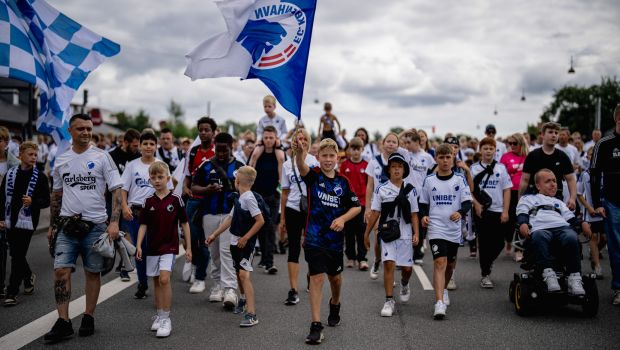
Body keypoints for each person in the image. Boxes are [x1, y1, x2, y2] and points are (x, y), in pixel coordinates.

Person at [44, 113, 123, 343]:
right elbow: (57, 195)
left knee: (92, 272)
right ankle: (64, 321)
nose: (86, 133)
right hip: (67, 225)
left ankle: (88, 315)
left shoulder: (102, 157)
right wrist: (51, 225)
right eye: (81, 129)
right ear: (70, 131)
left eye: (89, 128)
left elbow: (116, 189)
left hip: (96, 226)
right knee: (60, 270)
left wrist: (114, 221)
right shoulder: (61, 159)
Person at [292, 137, 361, 345]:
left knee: (335, 279)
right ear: (318, 158)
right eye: (324, 156)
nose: (328, 160)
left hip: (335, 241)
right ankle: (316, 325)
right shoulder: (313, 177)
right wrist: (299, 152)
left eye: (332, 156)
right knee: (317, 278)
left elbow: (356, 207)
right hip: (314, 238)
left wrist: (342, 218)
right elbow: (301, 166)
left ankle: (335, 302)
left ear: (337, 158)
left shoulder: (343, 182)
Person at [136, 162, 192, 338]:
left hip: (169, 246)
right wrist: (138, 245)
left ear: (168, 178)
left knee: (165, 279)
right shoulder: (148, 201)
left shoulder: (176, 200)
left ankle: (167, 318)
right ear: (149, 180)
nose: (157, 180)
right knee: (155, 282)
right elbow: (143, 225)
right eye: (153, 178)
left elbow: (185, 223)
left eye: (160, 177)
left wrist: (188, 246)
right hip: (152, 247)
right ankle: (159, 315)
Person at [206, 166, 265, 327]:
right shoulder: (240, 197)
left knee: (244, 276)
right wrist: (214, 235)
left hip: (245, 244)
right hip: (234, 242)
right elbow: (230, 219)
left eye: (235, 178)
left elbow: (260, 221)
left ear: (238, 180)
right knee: (239, 274)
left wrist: (246, 238)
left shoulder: (249, 198)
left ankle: (252, 314)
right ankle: (244, 300)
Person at [516, 169, 591, 295]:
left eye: (554, 181)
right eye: (548, 181)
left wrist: (582, 223)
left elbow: (571, 219)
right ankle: (548, 274)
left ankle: (574, 277)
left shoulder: (559, 202)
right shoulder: (527, 199)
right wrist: (523, 223)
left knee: (571, 237)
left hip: (562, 228)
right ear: (538, 185)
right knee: (540, 236)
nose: (553, 184)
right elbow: (522, 213)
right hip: (540, 228)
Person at [419, 144, 472, 319]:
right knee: (440, 262)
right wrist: (424, 216)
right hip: (436, 228)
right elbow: (423, 203)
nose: (445, 160)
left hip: (453, 229)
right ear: (436, 159)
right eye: (441, 157)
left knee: (450, 264)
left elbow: (467, 201)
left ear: (453, 158)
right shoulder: (429, 180)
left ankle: (444, 289)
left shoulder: (459, 179)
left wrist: (460, 212)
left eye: (448, 157)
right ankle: (439, 303)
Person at [192, 132, 244, 308]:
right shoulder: (206, 166)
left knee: (226, 251)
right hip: (209, 214)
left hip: (230, 215)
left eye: (225, 150)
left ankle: (230, 289)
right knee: (213, 252)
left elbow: (248, 190)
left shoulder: (239, 166)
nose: (221, 154)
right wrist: (207, 189)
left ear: (232, 147)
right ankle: (217, 285)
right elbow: (194, 186)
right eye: (219, 150)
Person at [364, 153, 419, 317]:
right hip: (388, 233)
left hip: (406, 234)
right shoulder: (381, 189)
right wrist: (366, 233)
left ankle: (404, 283)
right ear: (388, 170)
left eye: (399, 167)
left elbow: (415, 213)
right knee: (388, 264)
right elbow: (375, 212)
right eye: (393, 167)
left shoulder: (411, 190)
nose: (396, 170)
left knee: (407, 269)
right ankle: (389, 300)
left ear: (404, 170)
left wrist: (417, 233)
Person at [0, 141, 50, 306]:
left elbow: (46, 201)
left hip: (29, 221)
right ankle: (28, 276)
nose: (34, 157)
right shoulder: (10, 174)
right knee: (16, 253)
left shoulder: (40, 176)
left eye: (36, 155)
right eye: (30, 154)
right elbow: (1, 198)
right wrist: (1, 218)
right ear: (20, 155)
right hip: (11, 219)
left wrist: (33, 201)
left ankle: (12, 292)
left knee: (17, 255)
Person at [280, 128, 318, 305]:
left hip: (310, 209)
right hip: (293, 208)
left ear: (308, 142)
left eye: (304, 139)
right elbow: (285, 193)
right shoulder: (287, 165)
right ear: (293, 142)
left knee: (310, 246)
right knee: (293, 247)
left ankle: (311, 275)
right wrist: (282, 219)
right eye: (297, 139)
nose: (300, 142)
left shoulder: (314, 161)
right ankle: (293, 289)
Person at [120, 132, 161, 296]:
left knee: (155, 249)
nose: (148, 147)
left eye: (152, 144)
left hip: (156, 214)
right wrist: (124, 206)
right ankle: (142, 283)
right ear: (140, 146)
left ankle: (159, 282)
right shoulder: (132, 165)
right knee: (140, 250)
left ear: (155, 146)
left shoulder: (160, 165)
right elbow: (123, 188)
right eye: (145, 144)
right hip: (136, 213)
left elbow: (168, 190)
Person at [471, 137, 512, 288]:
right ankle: (485, 274)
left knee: (499, 242)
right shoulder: (474, 168)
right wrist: (476, 204)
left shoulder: (501, 168)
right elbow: (468, 190)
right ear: (480, 150)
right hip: (482, 210)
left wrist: (506, 211)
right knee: (484, 242)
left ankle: (488, 263)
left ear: (495, 151)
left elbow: (507, 190)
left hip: (498, 210)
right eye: (485, 148)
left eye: (491, 148)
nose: (488, 151)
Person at [590, 104, 620, 305]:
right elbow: (593, 174)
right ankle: (619, 288)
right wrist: (597, 203)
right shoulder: (604, 143)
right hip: (612, 203)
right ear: (618, 118)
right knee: (617, 247)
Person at [182, 117, 216, 294]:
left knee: (203, 241)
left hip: (209, 202)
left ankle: (201, 278)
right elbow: (188, 175)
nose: (203, 133)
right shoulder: (193, 152)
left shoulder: (218, 151)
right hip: (193, 200)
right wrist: (185, 187)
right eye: (200, 130)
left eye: (207, 130)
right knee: (189, 237)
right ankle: (195, 264)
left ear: (213, 132)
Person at [365, 133, 401, 280]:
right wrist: (367, 208)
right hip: (378, 205)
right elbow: (369, 185)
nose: (391, 144)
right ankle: (378, 260)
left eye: (394, 142)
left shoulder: (399, 163)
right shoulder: (374, 162)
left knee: (393, 238)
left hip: (396, 206)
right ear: (383, 143)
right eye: (389, 141)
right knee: (380, 237)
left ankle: (389, 272)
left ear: (398, 145)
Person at [249, 125, 285, 272]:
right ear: (262, 138)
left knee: (270, 228)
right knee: (260, 227)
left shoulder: (279, 154)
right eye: (266, 137)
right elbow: (249, 168)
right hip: (258, 195)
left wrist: (280, 192)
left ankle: (269, 262)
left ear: (276, 138)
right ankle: (264, 258)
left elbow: (283, 174)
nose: (269, 140)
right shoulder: (258, 152)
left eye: (271, 137)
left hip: (273, 195)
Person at [519, 122, 576, 211]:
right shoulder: (532, 155)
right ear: (542, 135)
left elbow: (571, 179)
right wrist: (520, 199)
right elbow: (524, 180)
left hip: (555, 197)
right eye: (550, 132)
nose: (554, 135)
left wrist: (572, 198)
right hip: (533, 197)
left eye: (556, 133)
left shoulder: (562, 156)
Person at [401, 130, 435, 265]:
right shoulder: (405, 154)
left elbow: (434, 171)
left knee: (420, 226)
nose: (407, 145)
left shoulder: (427, 157)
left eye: (409, 142)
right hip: (407, 195)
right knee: (405, 224)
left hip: (422, 197)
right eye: (406, 142)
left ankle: (417, 253)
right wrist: (405, 132)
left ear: (417, 142)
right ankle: (404, 255)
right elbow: (395, 142)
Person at [340, 137, 369, 270]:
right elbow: (340, 184)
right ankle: (351, 257)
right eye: (353, 149)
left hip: (362, 204)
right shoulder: (345, 165)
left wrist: (369, 206)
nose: (356, 152)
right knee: (349, 233)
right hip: (348, 205)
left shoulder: (366, 165)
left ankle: (362, 258)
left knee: (362, 232)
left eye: (358, 149)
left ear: (362, 150)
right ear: (349, 150)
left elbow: (370, 186)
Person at [500, 133, 528, 260]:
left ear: (521, 143)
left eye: (514, 143)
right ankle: (508, 239)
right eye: (509, 143)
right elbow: (500, 175)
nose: (511, 146)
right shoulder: (505, 157)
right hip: (509, 192)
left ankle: (519, 249)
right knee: (509, 221)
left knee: (521, 220)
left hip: (525, 193)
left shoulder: (528, 156)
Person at [0, 126, 20, 299]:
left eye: (0, 140)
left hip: (8, 210)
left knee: (10, 248)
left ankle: (24, 276)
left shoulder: (14, 164)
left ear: (6, 143)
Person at [577, 159, 605, 278]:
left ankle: (595, 253)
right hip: (591, 212)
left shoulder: (606, 172)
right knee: (593, 237)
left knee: (605, 238)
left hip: (605, 210)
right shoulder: (585, 174)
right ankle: (597, 266)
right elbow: (579, 193)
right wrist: (588, 208)